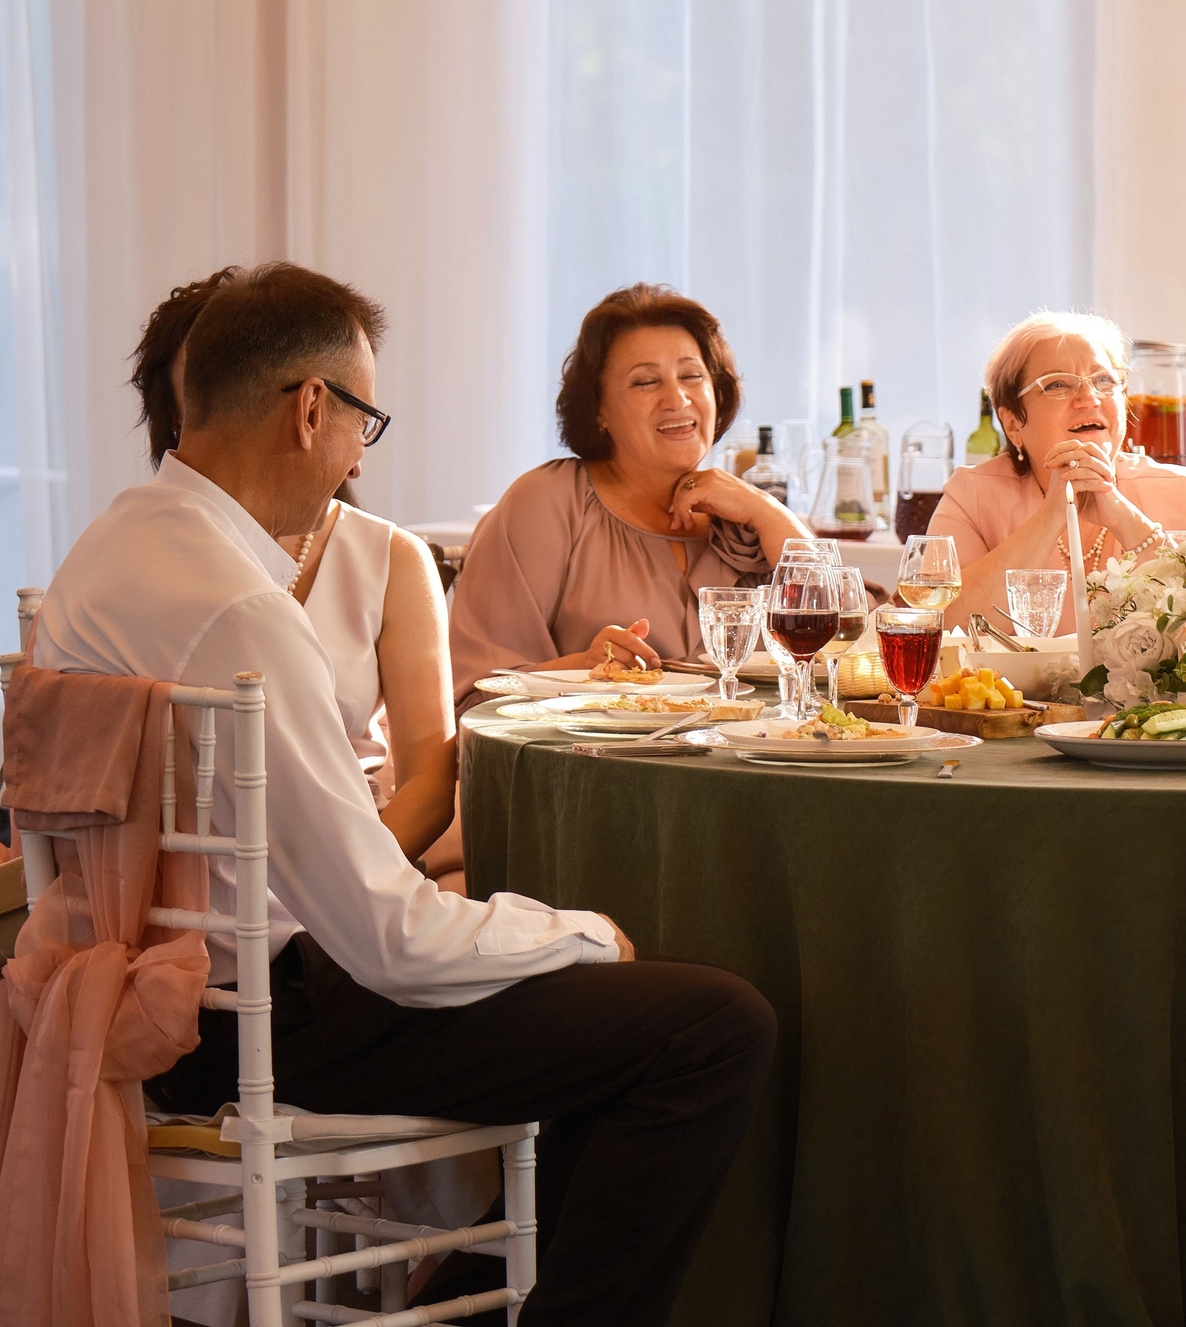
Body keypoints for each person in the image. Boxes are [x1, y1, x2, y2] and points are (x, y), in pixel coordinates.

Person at [42, 263, 775, 1325]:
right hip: (255, 1019)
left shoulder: (108, 548)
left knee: (622, 1031)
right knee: (713, 1026)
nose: (355, 456)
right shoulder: (243, 613)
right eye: (363, 423)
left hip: (139, 994)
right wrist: (582, 934)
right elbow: (387, 940)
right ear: (309, 408)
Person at [130, 271, 458, 877]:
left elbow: (430, 778)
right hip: (198, 894)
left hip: (352, 873)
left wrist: (347, 889)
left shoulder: (391, 559)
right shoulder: (141, 564)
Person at [449, 284, 811, 696]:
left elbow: (843, 651)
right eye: (645, 382)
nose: (677, 399)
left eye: (692, 375)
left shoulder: (744, 518)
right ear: (600, 410)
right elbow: (474, 692)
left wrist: (767, 510)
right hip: (587, 758)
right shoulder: (548, 502)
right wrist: (583, 671)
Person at [931, 311, 1186, 628]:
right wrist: (1051, 516)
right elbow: (938, 625)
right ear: (1013, 423)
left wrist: (1125, 518)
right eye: (1057, 385)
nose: (1089, 397)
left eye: (1105, 380)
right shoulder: (970, 496)